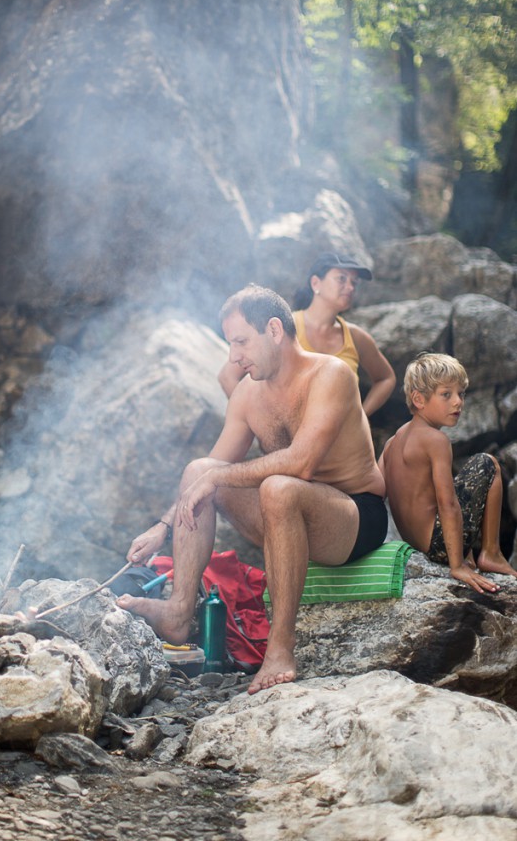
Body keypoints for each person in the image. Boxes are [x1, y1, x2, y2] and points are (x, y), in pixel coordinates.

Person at [119, 284, 387, 693]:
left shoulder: (330, 374)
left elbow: (302, 463)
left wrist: (220, 477)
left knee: (277, 486)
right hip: (285, 515)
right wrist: (163, 527)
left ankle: (281, 647)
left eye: (241, 341)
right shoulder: (247, 394)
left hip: (352, 517)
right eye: (230, 344)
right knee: (199, 469)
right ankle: (178, 610)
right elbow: (210, 471)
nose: (234, 356)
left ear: (275, 330)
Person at [380, 353, 516, 594]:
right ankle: (491, 553)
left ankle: (475, 557)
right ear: (419, 400)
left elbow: (377, 489)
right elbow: (448, 503)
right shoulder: (436, 440)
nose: (458, 402)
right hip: (439, 545)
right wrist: (457, 566)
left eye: (460, 394)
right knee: (488, 463)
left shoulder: (393, 441)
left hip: (417, 544)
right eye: (446, 394)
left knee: (458, 484)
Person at [218, 252, 395, 417]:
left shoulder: (356, 337)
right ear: (316, 283)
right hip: (290, 446)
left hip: (343, 447)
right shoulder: (283, 328)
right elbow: (228, 376)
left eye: (354, 283)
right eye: (341, 279)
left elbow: (385, 378)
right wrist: (260, 422)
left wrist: (361, 416)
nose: (350, 287)